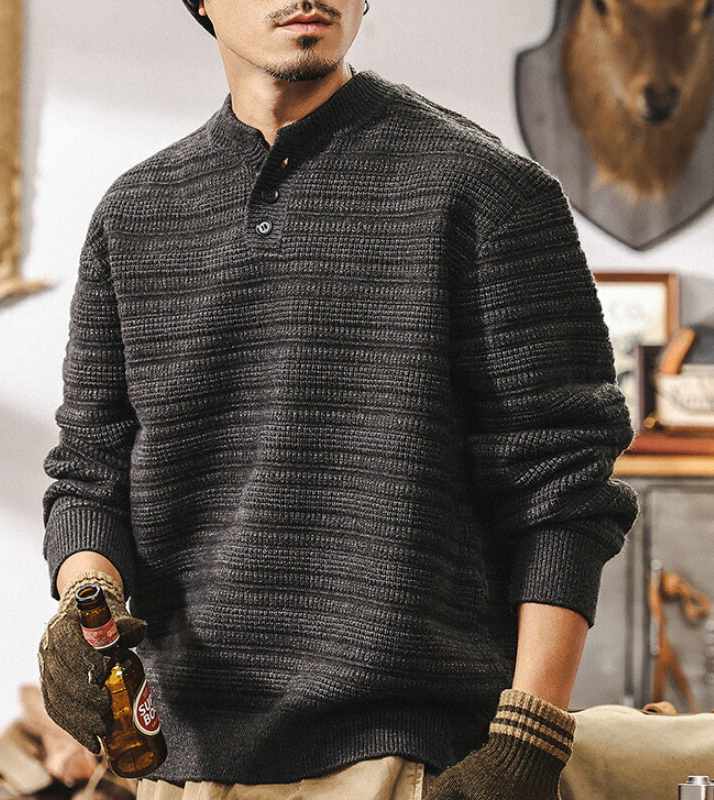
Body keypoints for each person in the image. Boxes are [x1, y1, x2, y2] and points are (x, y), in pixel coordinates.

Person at [37, 1, 641, 799]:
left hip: (405, 759)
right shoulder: (134, 214)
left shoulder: (486, 192)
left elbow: (564, 490)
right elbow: (90, 473)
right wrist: (87, 602)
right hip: (184, 763)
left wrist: (528, 742)